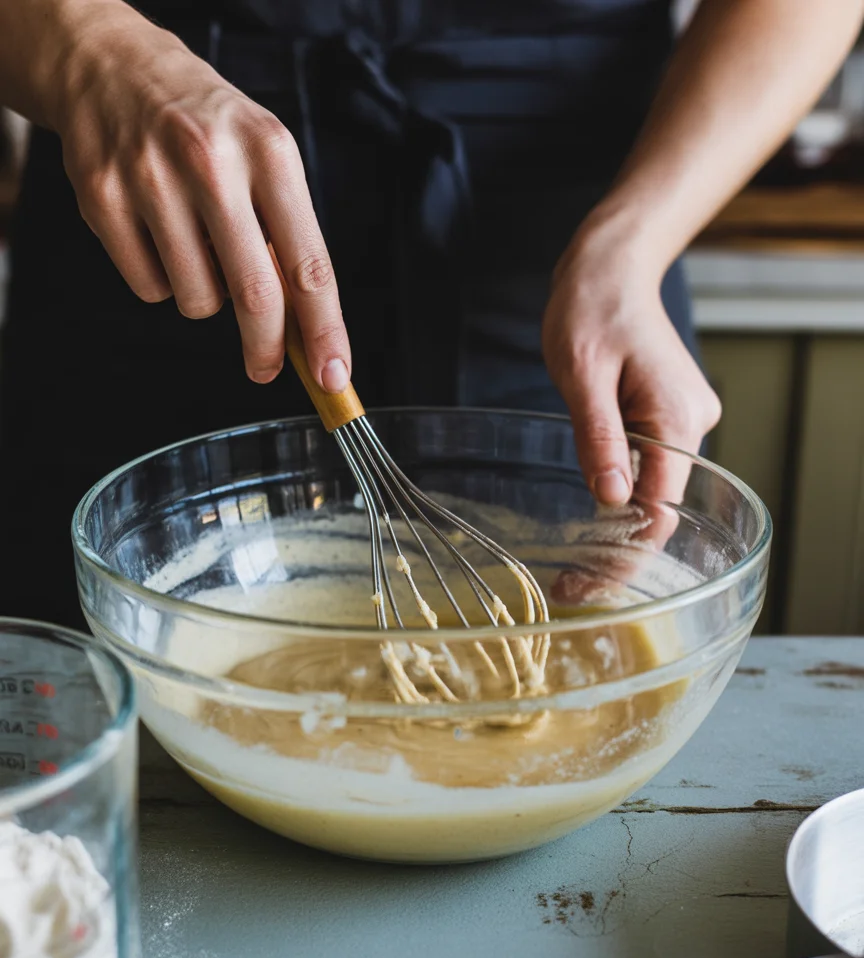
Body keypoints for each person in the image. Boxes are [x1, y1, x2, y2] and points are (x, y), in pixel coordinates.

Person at [0, 0, 860, 627]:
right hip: (157, 212)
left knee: (580, 632)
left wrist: (634, 241)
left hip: (565, 261)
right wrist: (88, 46)